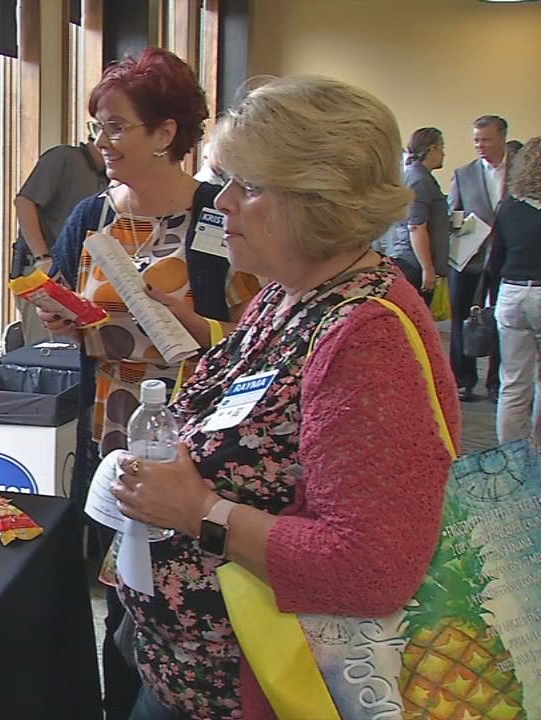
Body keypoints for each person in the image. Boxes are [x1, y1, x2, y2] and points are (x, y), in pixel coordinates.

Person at [95, 76, 459, 720]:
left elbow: (369, 568)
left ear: (322, 202)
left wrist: (200, 510)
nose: (226, 203)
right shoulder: (291, 290)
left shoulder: (366, 336)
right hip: (188, 669)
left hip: (257, 689)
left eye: (250, 187)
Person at [38, 47, 261, 720]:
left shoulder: (216, 217)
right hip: (106, 428)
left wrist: (175, 315)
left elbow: (249, 330)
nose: (101, 142)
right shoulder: (88, 218)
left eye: (116, 126)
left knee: (176, 599)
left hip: (190, 443)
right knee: (115, 596)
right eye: (97, 126)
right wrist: (60, 317)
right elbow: (62, 309)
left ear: (166, 134)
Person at [12, 138, 111, 344]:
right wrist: (43, 257)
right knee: (46, 353)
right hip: (45, 273)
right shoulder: (65, 157)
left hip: (82, 278)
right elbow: (24, 202)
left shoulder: (110, 178)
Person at [448, 115, 510, 402]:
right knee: (463, 318)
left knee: (502, 320)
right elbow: (454, 215)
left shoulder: (522, 170)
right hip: (470, 257)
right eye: (476, 140)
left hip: (509, 258)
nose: (479, 145)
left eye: (485, 139)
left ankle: (496, 382)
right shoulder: (464, 173)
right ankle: (463, 380)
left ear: (502, 139)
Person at [487, 137, 541, 443]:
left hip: (512, 294)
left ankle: (512, 458)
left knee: (513, 382)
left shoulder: (507, 208)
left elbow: (495, 261)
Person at [388, 127, 451, 303]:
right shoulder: (420, 180)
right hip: (413, 262)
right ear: (431, 149)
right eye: (442, 148)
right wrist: (428, 269)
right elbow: (416, 227)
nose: (444, 154)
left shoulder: (413, 175)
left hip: (407, 257)